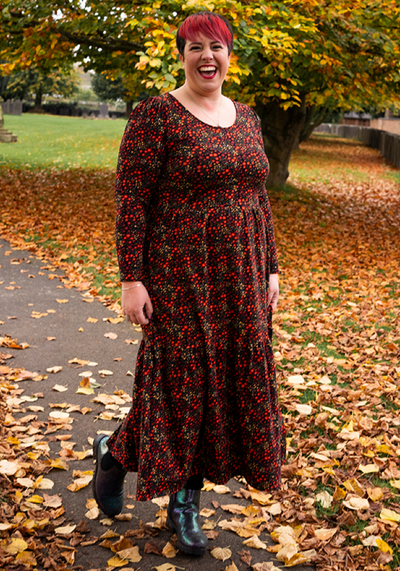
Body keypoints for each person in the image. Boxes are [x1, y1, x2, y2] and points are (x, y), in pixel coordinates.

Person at [92, 10, 286, 557]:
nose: (207, 56)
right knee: (180, 386)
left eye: (217, 47)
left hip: (242, 277)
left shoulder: (246, 118)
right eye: (196, 47)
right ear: (181, 55)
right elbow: (132, 202)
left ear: (229, 56)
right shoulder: (156, 116)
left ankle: (114, 451)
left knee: (223, 385)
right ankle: (183, 500)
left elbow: (257, 196)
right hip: (180, 277)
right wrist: (133, 278)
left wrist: (270, 265)